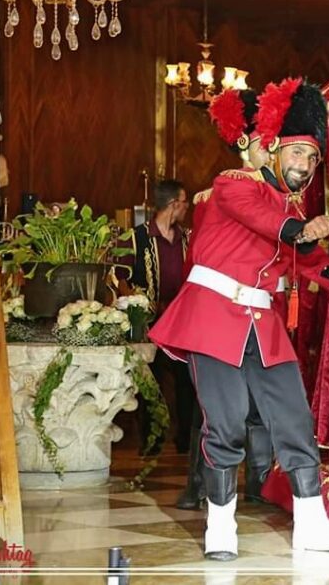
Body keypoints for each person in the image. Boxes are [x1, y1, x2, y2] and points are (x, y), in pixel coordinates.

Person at [149, 77, 329, 559]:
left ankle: (313, 525)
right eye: (297, 154)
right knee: (225, 426)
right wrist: (302, 229)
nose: (306, 166)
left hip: (262, 323)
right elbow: (271, 225)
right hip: (213, 320)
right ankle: (221, 528)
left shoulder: (287, 207)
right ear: (272, 150)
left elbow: (306, 260)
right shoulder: (233, 186)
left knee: (295, 420)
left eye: (313, 159)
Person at [174, 88, 280, 511]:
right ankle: (198, 484)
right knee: (213, 407)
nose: (271, 152)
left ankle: (257, 482)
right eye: (264, 144)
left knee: (261, 403)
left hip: (264, 309)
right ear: (243, 144)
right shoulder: (220, 192)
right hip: (220, 310)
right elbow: (200, 256)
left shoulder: (283, 193)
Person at [127, 179, 191, 453]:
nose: (187, 207)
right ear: (174, 205)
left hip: (182, 321)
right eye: (184, 202)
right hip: (150, 323)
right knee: (149, 382)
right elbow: (118, 279)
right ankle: (151, 442)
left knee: (186, 382)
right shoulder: (136, 237)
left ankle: (186, 440)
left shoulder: (188, 237)